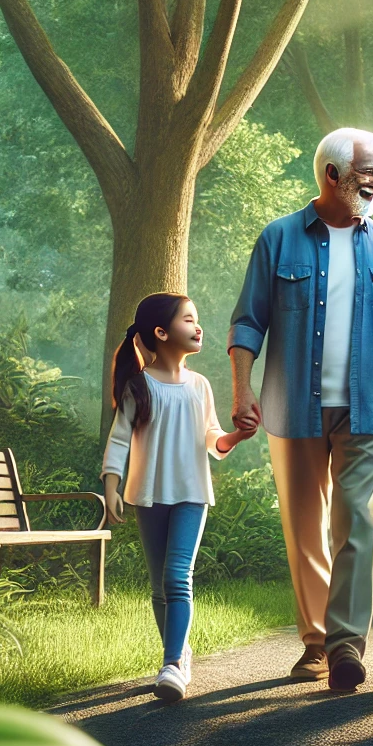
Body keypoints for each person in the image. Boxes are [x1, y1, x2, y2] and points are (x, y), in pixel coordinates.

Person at [228, 127, 373, 692]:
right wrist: (242, 390)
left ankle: (345, 646)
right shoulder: (279, 238)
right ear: (332, 175)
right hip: (292, 407)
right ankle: (315, 642)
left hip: (366, 407)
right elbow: (248, 322)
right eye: (369, 172)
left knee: (355, 520)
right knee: (305, 529)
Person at [101, 292, 256, 702]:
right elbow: (119, 439)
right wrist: (112, 484)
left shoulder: (200, 385)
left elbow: (212, 438)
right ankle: (179, 653)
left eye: (196, 319)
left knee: (176, 577)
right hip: (148, 495)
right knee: (158, 587)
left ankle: (171, 664)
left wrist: (236, 436)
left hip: (191, 494)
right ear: (161, 332)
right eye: (188, 319)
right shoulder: (139, 386)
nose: (198, 326)